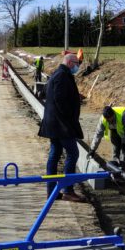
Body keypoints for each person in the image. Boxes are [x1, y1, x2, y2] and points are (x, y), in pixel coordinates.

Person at [37, 52, 84, 202]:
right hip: (61, 125)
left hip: (54, 124)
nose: (77, 67)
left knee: (55, 154)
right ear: (69, 63)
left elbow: (45, 93)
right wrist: (70, 118)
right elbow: (60, 100)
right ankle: (68, 190)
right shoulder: (62, 76)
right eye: (76, 64)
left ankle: (52, 192)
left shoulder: (57, 74)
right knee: (73, 153)